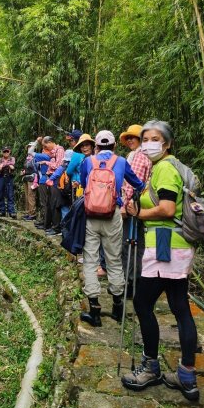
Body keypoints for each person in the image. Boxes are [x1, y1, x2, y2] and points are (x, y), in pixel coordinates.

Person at [121, 120, 199, 401]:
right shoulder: (173, 166)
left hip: (165, 244)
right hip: (179, 246)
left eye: (155, 139)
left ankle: (151, 366)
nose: (148, 143)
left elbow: (166, 208)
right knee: (180, 307)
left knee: (142, 302)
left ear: (167, 143)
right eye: (145, 139)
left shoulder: (165, 168)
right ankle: (187, 376)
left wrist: (137, 213)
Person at [79, 130, 145, 327]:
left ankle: (94, 311)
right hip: (113, 214)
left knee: (90, 260)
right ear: (115, 145)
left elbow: (84, 184)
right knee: (114, 259)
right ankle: (118, 308)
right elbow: (138, 184)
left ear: (97, 147)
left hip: (91, 215)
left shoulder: (88, 162)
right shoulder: (122, 162)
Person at [119, 124, 152, 295]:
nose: (131, 140)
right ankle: (135, 282)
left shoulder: (138, 157)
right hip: (140, 206)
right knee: (137, 244)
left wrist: (125, 206)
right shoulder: (144, 156)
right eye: (129, 138)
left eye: (134, 137)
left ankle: (131, 282)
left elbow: (133, 184)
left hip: (133, 206)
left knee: (130, 244)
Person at [41, 136, 65, 236]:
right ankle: (52, 225)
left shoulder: (59, 150)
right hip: (50, 178)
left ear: (50, 142)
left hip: (56, 179)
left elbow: (58, 165)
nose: (45, 147)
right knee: (50, 203)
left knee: (55, 203)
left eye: (45, 145)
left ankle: (57, 228)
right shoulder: (52, 152)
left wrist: (46, 162)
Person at [0, 146, 16, 219]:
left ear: (9, 151)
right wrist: (7, 164)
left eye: (7, 151)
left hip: (9, 178)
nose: (6, 153)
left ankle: (11, 211)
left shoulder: (12, 158)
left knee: (10, 194)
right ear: (2, 152)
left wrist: (5, 164)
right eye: (4, 151)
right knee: (0, 194)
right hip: (1, 177)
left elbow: (13, 167)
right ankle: (2, 211)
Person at [21, 141, 38, 221]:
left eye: (30, 147)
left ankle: (33, 214)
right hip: (26, 178)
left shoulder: (35, 158)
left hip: (32, 179)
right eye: (28, 147)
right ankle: (28, 213)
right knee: (27, 196)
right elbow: (26, 168)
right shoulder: (27, 158)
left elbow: (36, 169)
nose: (29, 148)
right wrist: (24, 171)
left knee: (31, 196)